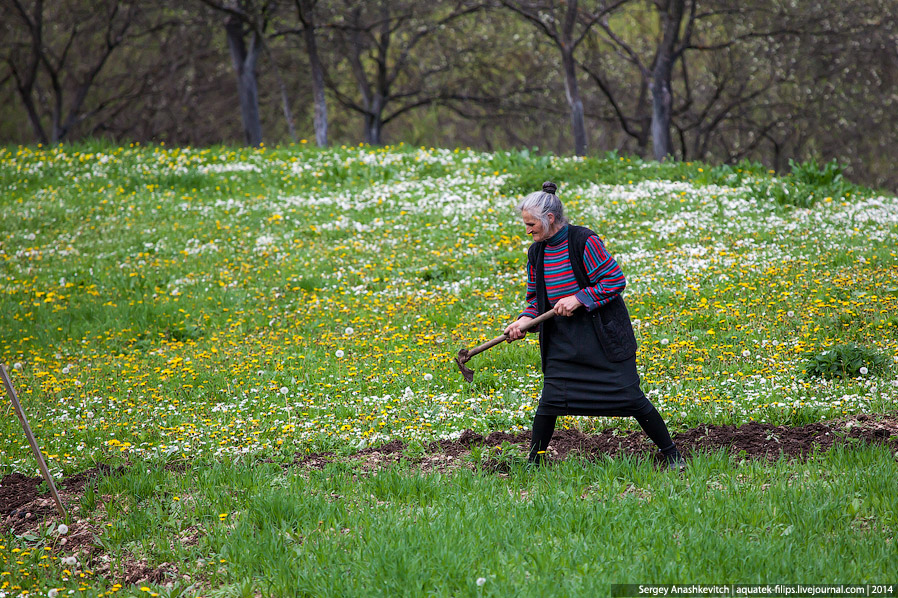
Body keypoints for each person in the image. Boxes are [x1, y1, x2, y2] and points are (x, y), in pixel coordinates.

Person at [504, 181, 685, 470]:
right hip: (563, 342)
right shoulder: (536, 253)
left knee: (631, 398)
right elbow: (535, 301)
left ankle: (672, 454)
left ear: (549, 219)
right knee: (550, 402)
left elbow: (615, 281)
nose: (527, 230)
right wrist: (523, 321)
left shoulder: (584, 242)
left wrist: (578, 298)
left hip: (602, 338)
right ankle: (534, 463)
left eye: (531, 224)